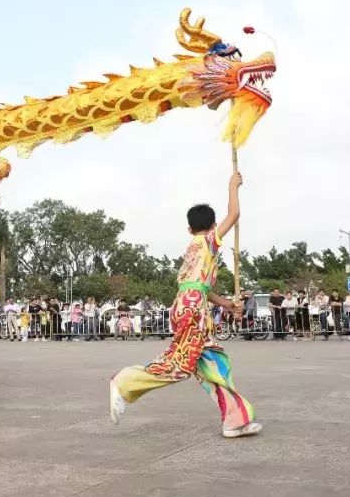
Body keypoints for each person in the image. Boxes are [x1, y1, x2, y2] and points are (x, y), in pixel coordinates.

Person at [110, 171, 260, 439]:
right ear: (213, 227)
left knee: (214, 362)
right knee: (179, 366)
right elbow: (234, 214)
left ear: (189, 229)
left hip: (190, 306)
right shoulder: (208, 241)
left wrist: (226, 305)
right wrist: (233, 186)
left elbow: (202, 288)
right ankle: (124, 382)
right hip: (192, 311)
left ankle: (234, 420)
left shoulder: (193, 247)